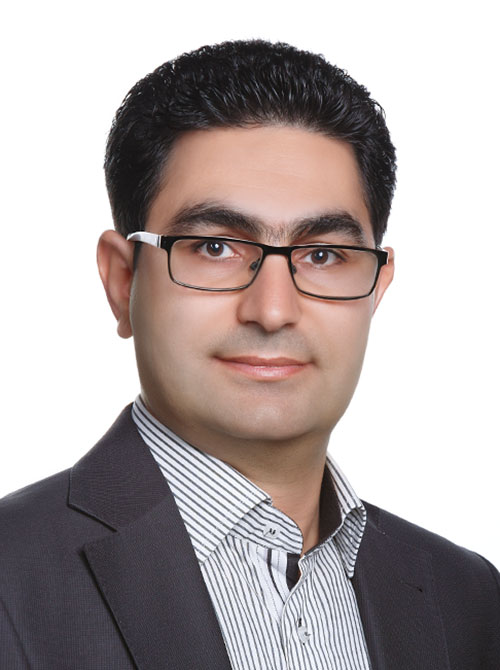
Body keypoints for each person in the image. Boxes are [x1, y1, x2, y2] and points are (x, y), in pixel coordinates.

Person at [0, 39, 498, 670]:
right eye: (215, 248)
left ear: (377, 287)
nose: (273, 310)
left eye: (323, 255)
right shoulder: (13, 574)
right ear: (123, 282)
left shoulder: (468, 598)